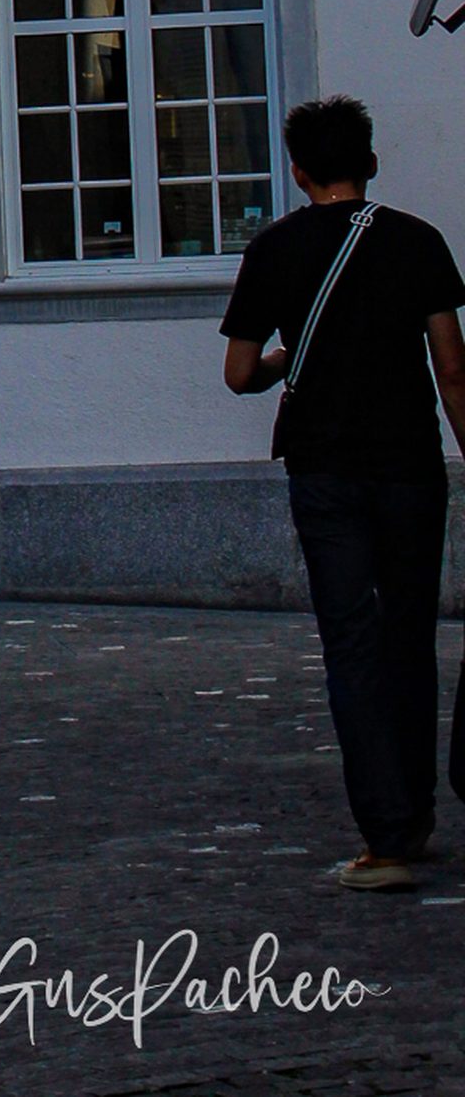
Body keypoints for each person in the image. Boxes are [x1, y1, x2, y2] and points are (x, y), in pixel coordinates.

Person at [222, 95, 465, 890]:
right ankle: (418, 811)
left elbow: (238, 375)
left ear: (297, 171)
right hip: (410, 466)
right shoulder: (418, 241)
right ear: (370, 162)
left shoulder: (274, 250)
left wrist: (288, 362)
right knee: (409, 636)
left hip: (324, 472)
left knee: (351, 644)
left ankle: (385, 838)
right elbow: (451, 369)